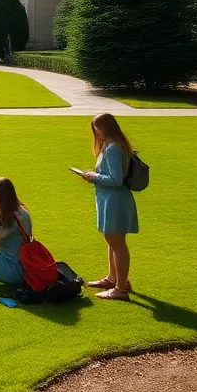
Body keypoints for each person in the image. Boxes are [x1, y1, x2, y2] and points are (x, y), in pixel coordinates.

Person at [79, 113, 138, 300]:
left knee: (117, 243)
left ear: (106, 128)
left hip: (115, 200)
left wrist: (93, 177)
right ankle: (114, 279)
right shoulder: (112, 145)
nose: (96, 133)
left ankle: (120, 288)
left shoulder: (113, 148)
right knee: (112, 240)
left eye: (97, 129)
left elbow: (116, 179)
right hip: (110, 200)